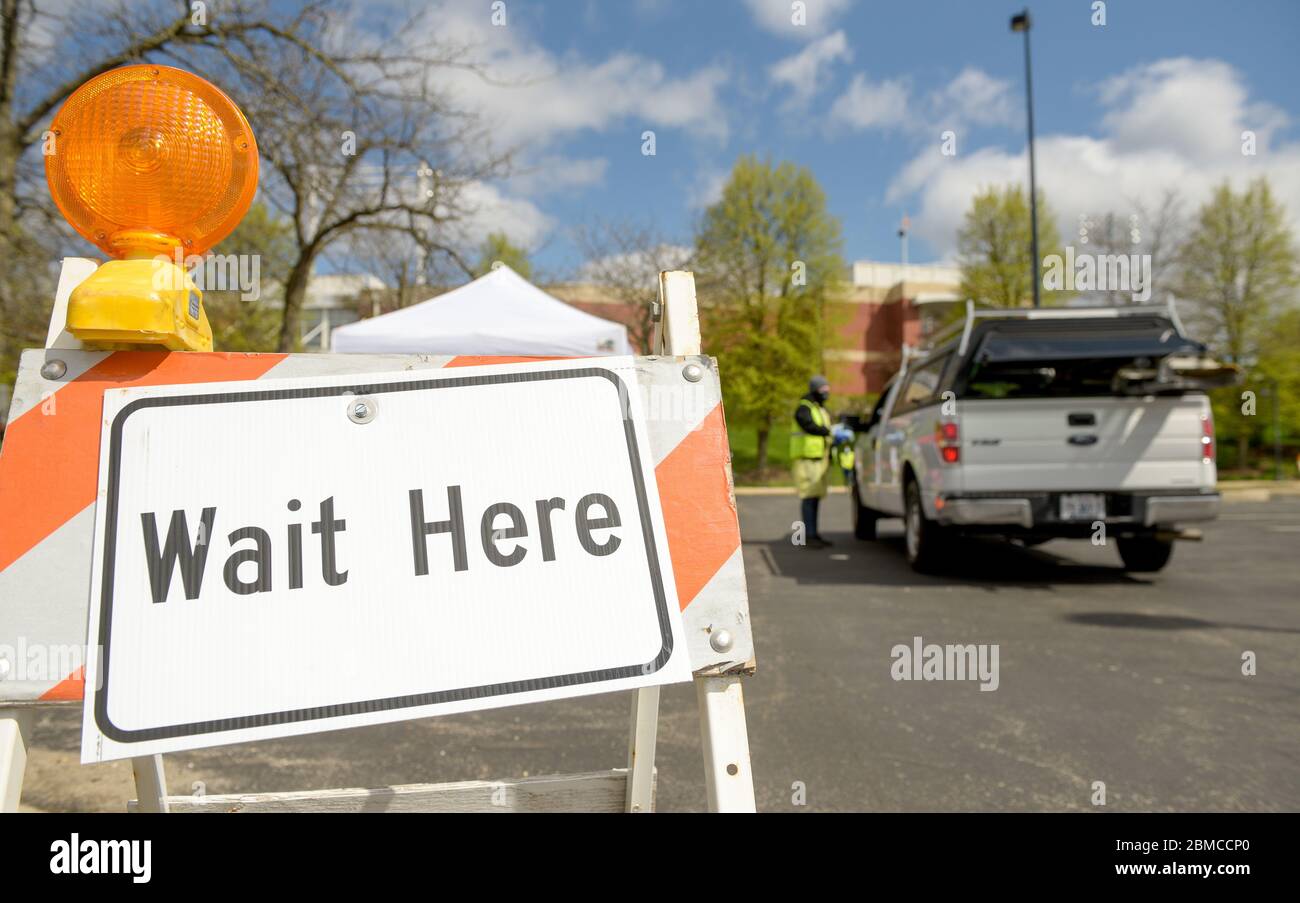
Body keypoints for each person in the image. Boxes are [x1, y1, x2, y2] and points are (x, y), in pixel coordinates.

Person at [790, 375, 853, 548]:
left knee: (815, 497)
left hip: (819, 460)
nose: (826, 392)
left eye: (828, 389)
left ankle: (814, 535)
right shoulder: (804, 407)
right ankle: (809, 536)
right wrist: (829, 432)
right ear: (814, 389)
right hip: (806, 459)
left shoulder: (819, 408)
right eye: (823, 389)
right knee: (809, 497)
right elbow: (808, 425)